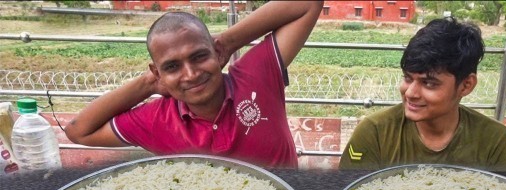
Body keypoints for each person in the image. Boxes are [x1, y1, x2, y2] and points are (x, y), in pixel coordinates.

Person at [65, 1, 324, 168]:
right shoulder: (156, 120)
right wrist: (147, 85)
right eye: (172, 67)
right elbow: (78, 131)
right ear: (157, 73)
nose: (190, 74)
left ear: (216, 53)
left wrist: (229, 42)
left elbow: (308, 4)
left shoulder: (256, 76)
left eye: (199, 56)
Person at [339, 17, 506, 171]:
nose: (410, 93)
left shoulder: (494, 140)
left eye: (429, 83)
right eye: (408, 78)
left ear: (466, 85)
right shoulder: (375, 132)